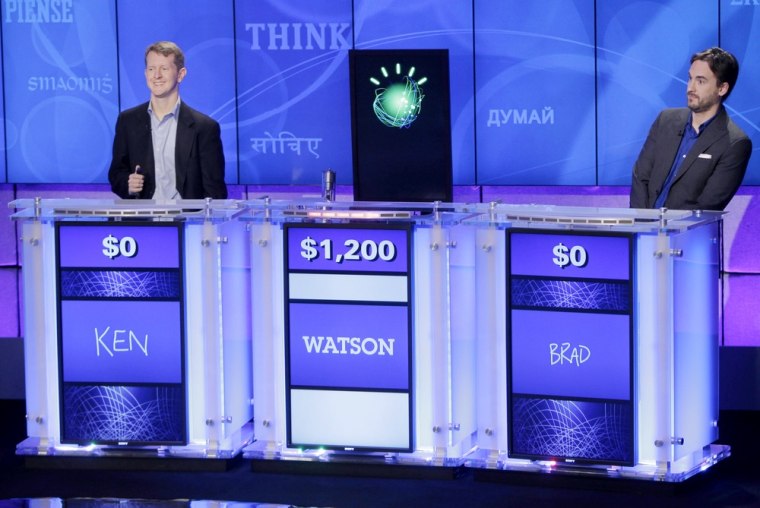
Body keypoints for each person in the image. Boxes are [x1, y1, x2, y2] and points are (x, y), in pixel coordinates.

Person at [629, 47, 752, 211]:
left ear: (722, 88)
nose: (690, 88)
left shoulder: (735, 143)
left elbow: (708, 205)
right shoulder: (665, 121)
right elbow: (641, 176)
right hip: (644, 230)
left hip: (686, 235)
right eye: (690, 78)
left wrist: (668, 231)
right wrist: (643, 224)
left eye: (700, 81)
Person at [109, 41, 227, 200]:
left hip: (186, 221)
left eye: (164, 68)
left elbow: (215, 192)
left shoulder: (204, 128)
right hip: (143, 222)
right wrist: (128, 184)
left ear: (180, 74)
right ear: (146, 74)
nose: (156, 75)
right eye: (151, 69)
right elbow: (116, 174)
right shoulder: (127, 121)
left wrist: (200, 224)